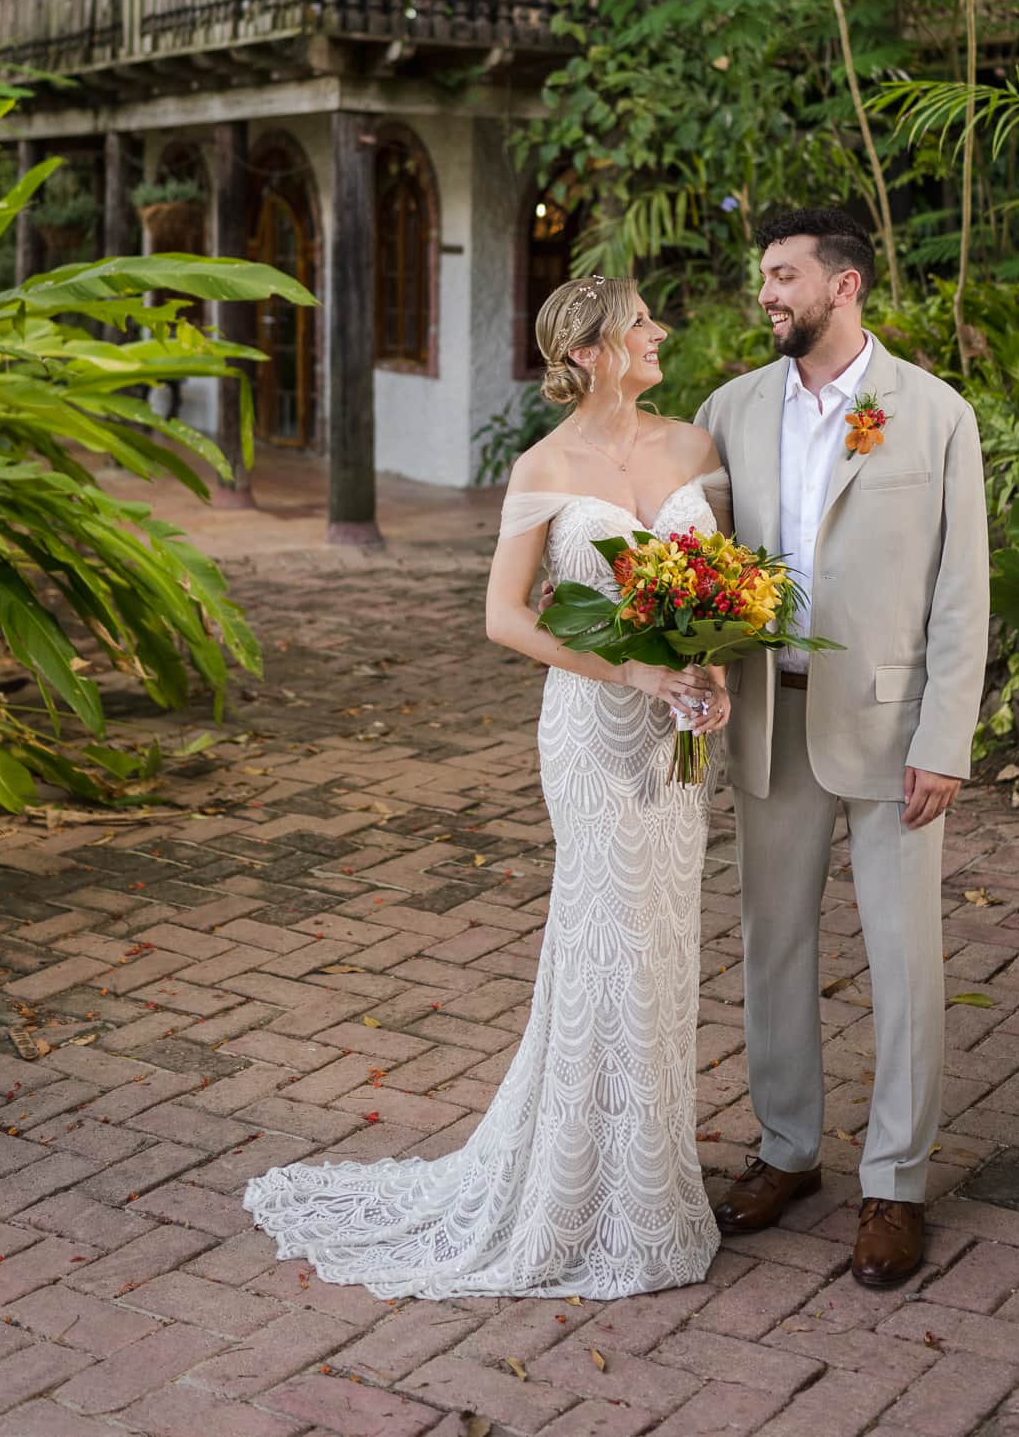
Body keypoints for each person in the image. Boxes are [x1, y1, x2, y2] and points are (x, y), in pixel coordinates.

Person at [244, 274, 732, 1299]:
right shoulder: (544, 467)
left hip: (674, 742)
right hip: (593, 733)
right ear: (591, 352)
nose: (659, 334)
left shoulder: (694, 448)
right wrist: (634, 671)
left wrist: (707, 669)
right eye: (640, 325)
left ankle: (649, 1180)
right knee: (609, 940)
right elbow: (506, 617)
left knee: (666, 939)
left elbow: (712, 587)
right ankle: (578, 1195)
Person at [695, 207, 989, 1288]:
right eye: (762, 278)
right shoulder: (726, 409)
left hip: (892, 726)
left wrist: (945, 738)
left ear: (844, 284)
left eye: (782, 276)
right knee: (771, 945)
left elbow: (963, 594)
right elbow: (699, 565)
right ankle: (787, 1150)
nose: (766, 294)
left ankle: (897, 1183)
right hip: (770, 720)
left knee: (904, 960)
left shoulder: (935, 414)